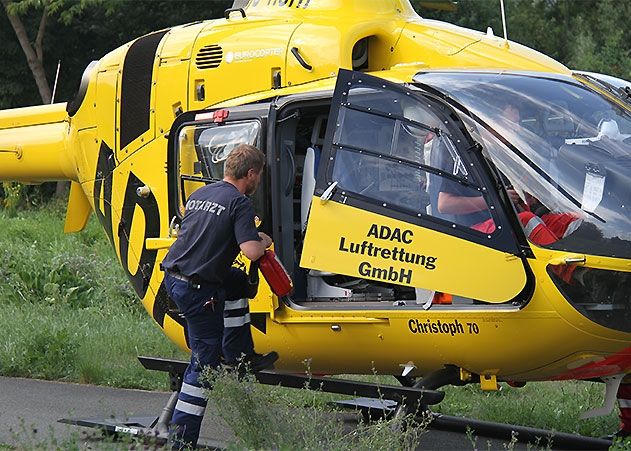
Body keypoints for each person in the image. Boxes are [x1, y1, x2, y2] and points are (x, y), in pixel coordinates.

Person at [161, 143, 278, 449]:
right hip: (198, 291)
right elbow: (251, 251)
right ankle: (182, 441)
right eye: (259, 176)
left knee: (237, 281)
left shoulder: (200, 194)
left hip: (172, 278)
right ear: (250, 174)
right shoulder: (239, 203)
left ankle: (239, 354)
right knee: (204, 365)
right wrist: (263, 241)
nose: (258, 181)